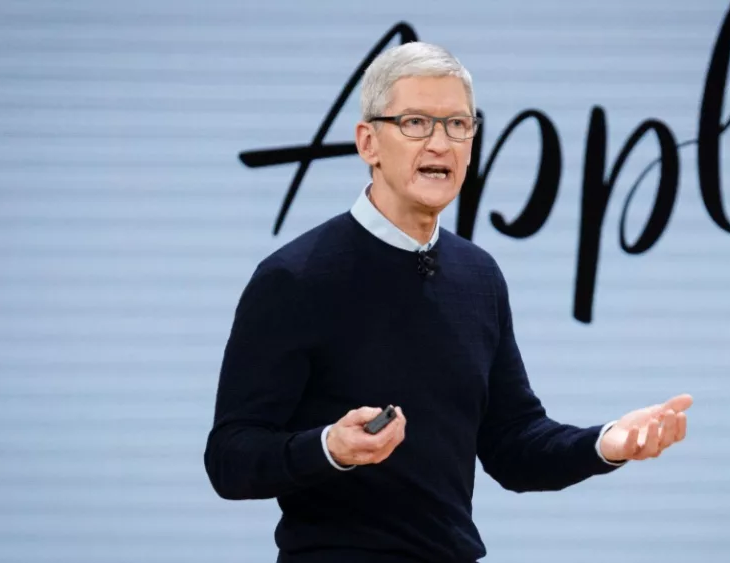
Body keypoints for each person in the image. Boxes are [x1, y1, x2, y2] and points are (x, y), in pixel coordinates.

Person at [203, 41, 692, 563]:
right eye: (415, 122)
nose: (441, 143)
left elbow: (513, 446)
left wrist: (605, 444)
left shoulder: (478, 276)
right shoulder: (295, 278)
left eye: (458, 125)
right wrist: (330, 448)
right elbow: (231, 459)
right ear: (368, 142)